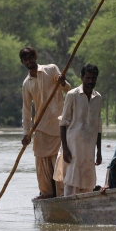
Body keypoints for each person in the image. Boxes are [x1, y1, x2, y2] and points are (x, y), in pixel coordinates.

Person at [20, 46, 72, 199]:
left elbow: (67, 89)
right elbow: (27, 110)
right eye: (25, 59)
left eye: (31, 57)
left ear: (35, 57)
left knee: (59, 159)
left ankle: (62, 194)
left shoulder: (51, 69)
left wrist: (62, 82)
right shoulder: (26, 83)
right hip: (40, 126)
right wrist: (26, 133)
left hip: (59, 124)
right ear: (23, 62)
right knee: (42, 161)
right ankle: (47, 192)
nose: (29, 61)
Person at [59, 64, 102, 196]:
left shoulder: (98, 97)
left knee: (87, 179)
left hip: (89, 146)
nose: (90, 81)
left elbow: (98, 125)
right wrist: (65, 148)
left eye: (93, 78)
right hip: (74, 145)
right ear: (82, 77)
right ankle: (68, 207)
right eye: (88, 78)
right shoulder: (72, 95)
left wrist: (99, 151)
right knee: (72, 179)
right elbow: (63, 122)